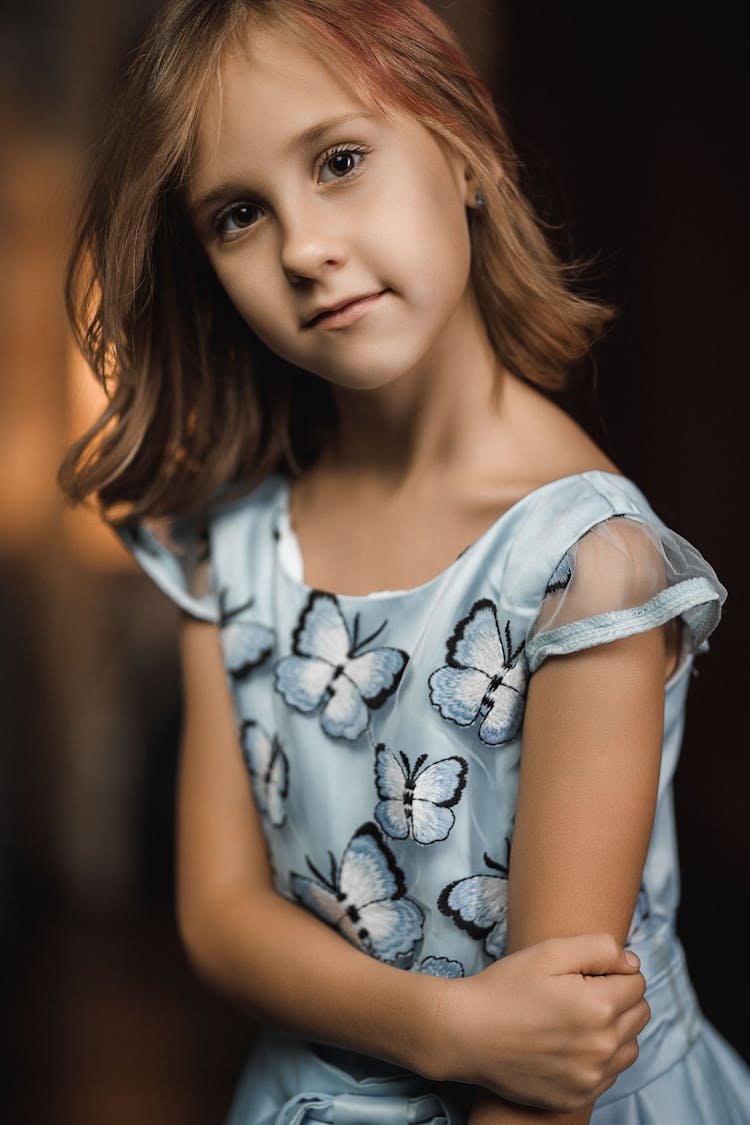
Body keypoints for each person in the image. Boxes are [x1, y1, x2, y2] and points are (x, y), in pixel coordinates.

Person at [60, 1, 750, 1122]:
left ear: (466, 148)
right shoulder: (229, 543)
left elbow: (557, 1062)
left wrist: (493, 1050)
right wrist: (453, 1027)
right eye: (239, 213)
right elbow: (220, 916)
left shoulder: (589, 564)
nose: (303, 247)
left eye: (339, 160)